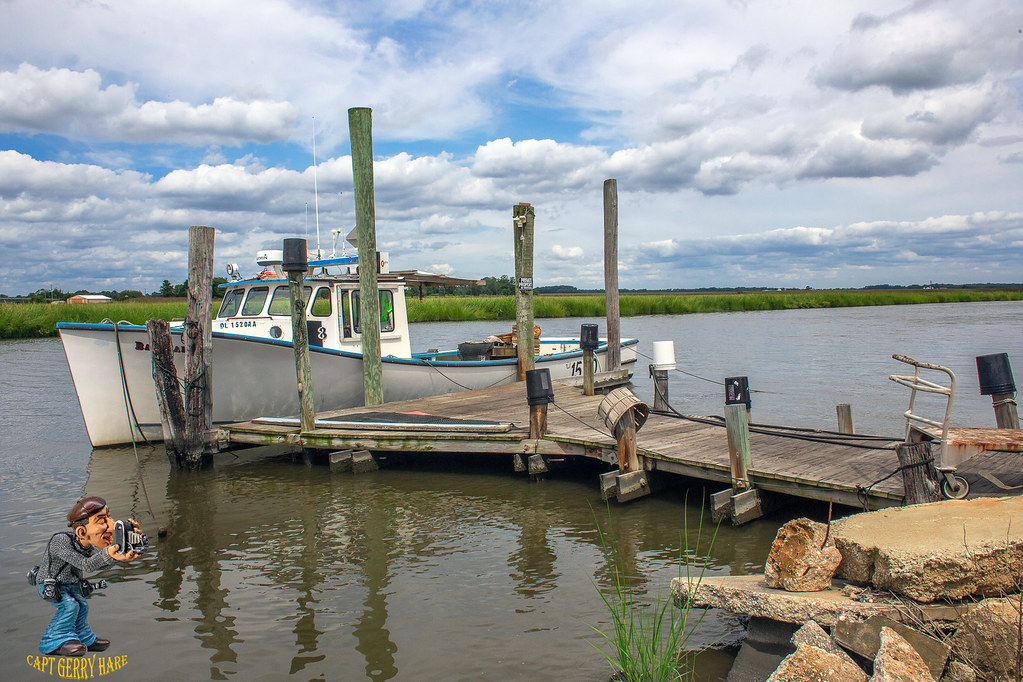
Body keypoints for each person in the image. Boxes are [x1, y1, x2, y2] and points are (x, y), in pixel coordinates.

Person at [35, 496, 141, 657]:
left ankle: (84, 639)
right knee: (70, 606)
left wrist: (119, 556)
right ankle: (53, 641)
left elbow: (101, 564)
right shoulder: (60, 541)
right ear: (82, 531)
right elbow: (86, 565)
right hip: (50, 585)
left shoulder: (86, 545)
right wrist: (110, 553)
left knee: (82, 606)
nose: (111, 526)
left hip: (70, 585)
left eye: (109, 517)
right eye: (102, 520)